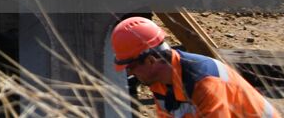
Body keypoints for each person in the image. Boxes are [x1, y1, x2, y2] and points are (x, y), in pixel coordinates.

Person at [113, 16, 274, 117]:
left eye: (131, 67)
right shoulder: (159, 81)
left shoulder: (205, 82)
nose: (130, 73)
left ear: (150, 61)